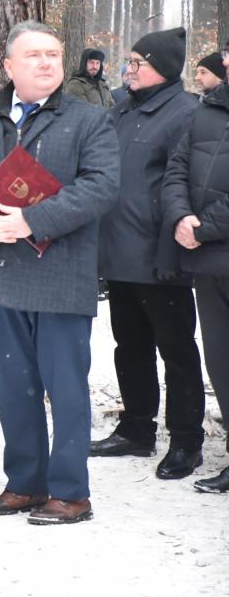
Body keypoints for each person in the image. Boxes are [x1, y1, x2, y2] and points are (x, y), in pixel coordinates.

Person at [0, 20, 119, 525]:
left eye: (53, 55)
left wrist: (31, 220)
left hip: (60, 274)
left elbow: (101, 187)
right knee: (14, 388)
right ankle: (25, 483)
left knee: (66, 390)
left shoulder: (89, 120)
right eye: (34, 55)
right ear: (8, 66)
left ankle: (71, 492)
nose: (46, 63)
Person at [93, 28, 203, 478]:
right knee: (130, 347)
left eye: (139, 63)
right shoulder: (123, 109)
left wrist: (171, 252)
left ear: (164, 67)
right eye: (130, 62)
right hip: (119, 253)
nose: (129, 70)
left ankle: (186, 440)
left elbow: (185, 186)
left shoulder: (186, 114)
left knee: (177, 352)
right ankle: (137, 427)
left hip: (161, 257)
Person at [162, 78, 229, 494]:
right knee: (221, 364)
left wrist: (203, 228)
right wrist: (180, 216)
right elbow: (176, 170)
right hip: (210, 264)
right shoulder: (204, 112)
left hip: (208, 240)